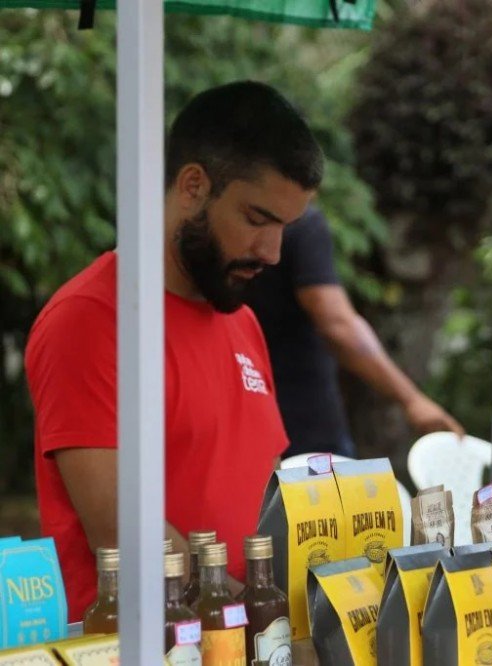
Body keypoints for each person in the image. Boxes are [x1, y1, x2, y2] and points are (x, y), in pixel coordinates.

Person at [25, 81, 323, 621]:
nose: (273, 252)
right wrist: (255, 617)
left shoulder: (243, 324)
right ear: (192, 185)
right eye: (257, 220)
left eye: (285, 228)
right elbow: (123, 536)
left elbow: (266, 501)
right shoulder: (90, 319)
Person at [244, 207, 462, 459]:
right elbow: (336, 323)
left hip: (249, 422)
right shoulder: (301, 221)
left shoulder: (226, 215)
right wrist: (411, 399)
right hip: (304, 429)